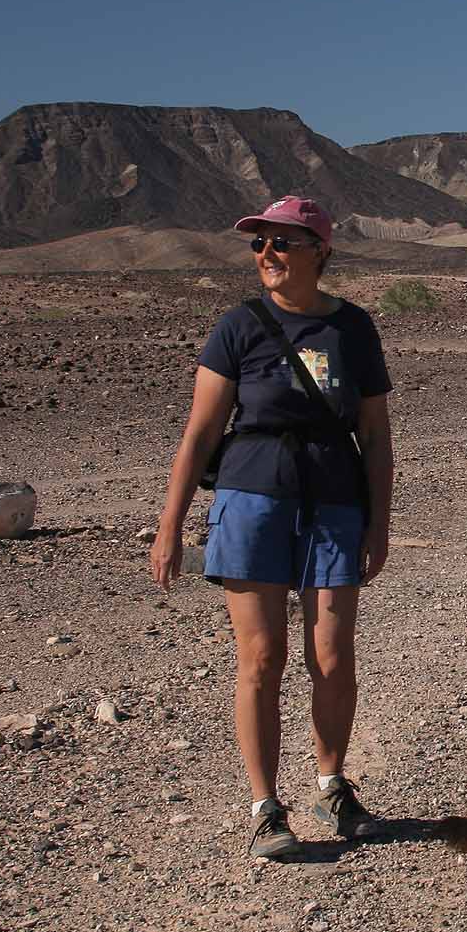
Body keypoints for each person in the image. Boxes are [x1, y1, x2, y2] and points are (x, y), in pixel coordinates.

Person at [150, 195, 395, 861]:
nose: (267, 256)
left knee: (333, 655)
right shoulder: (239, 327)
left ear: (320, 251)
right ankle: (264, 808)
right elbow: (200, 432)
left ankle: (331, 783)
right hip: (252, 498)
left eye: (282, 244)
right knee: (262, 658)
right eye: (259, 245)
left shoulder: (353, 329)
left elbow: (373, 435)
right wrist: (170, 523)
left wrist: (380, 521)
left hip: (334, 500)